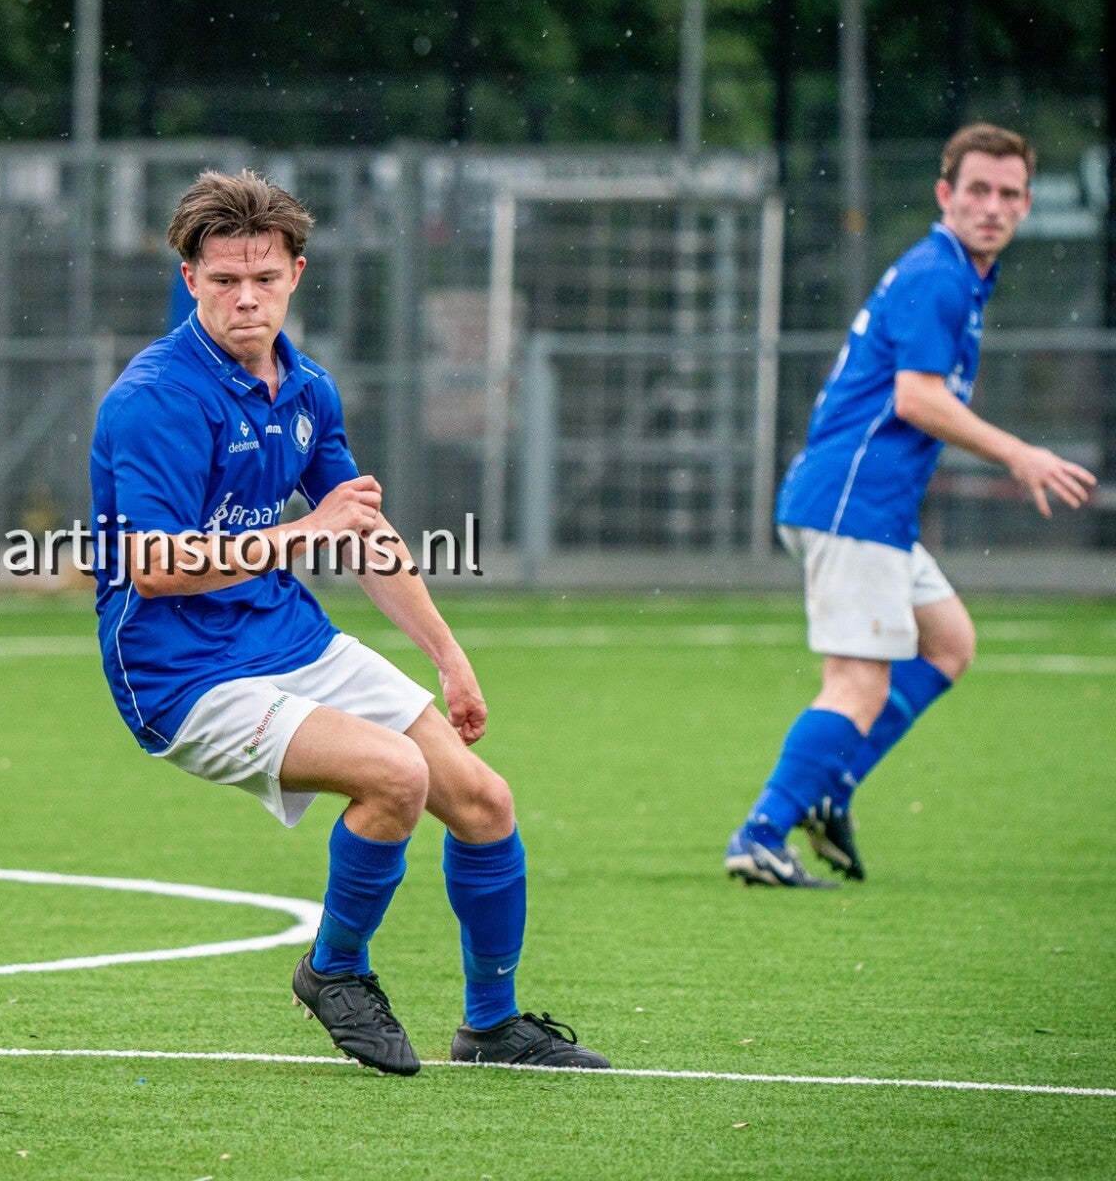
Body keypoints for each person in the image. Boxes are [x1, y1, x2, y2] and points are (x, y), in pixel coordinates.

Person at [89, 169, 607, 1074]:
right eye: (223, 281)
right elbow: (155, 566)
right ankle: (334, 971)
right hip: (182, 672)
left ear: (296, 273)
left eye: (264, 278)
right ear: (189, 279)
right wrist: (303, 533)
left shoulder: (306, 388)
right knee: (395, 776)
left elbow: (363, 534)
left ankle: (491, 1026)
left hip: (288, 636)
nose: (245, 299)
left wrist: (448, 655)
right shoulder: (156, 398)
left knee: (484, 803)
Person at [727, 124, 1097, 888]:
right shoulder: (940, 276)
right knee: (858, 682)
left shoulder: (957, 275)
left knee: (949, 642)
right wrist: (1019, 454)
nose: (992, 206)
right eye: (977, 190)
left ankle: (830, 787)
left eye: (1008, 193)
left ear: (1027, 205)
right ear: (944, 195)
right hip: (853, 502)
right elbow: (917, 400)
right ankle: (763, 831)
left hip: (870, 506)